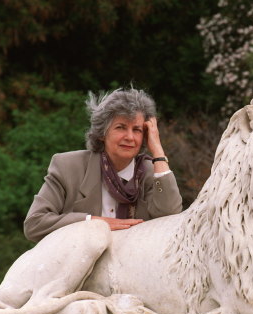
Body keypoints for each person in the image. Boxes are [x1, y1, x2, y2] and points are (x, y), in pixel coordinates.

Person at [24, 88, 183, 242]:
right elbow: (35, 223)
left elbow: (169, 216)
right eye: (121, 127)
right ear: (102, 134)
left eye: (137, 130)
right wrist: (94, 223)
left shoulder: (151, 172)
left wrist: (158, 151)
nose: (129, 137)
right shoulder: (68, 166)